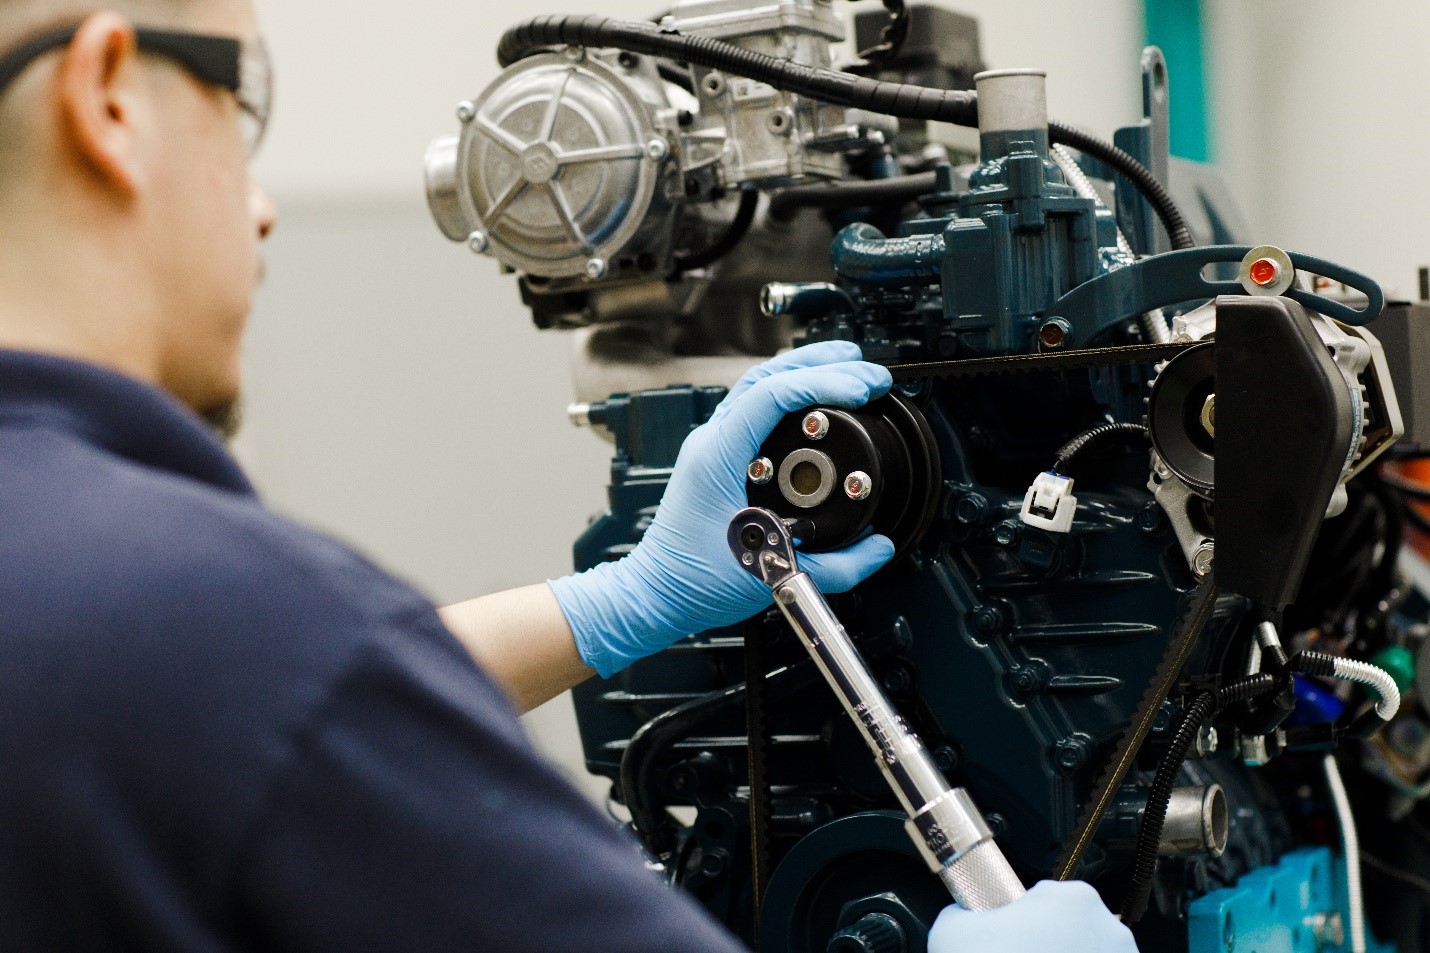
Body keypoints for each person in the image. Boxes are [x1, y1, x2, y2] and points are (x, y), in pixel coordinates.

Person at [0, 0, 1140, 949]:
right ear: (107, 94)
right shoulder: (230, 624)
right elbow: (258, 688)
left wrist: (623, 600)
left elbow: (235, 711)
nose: (261, 205)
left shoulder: (151, 631)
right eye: (238, 107)